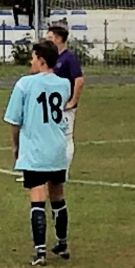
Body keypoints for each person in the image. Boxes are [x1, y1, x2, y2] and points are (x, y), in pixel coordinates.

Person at [3, 40, 72, 266]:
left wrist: (16, 146)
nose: (30, 62)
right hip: (57, 147)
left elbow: (14, 120)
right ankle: (62, 243)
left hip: (35, 149)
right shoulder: (64, 84)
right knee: (58, 195)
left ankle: (40, 251)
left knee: (37, 197)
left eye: (33, 58)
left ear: (41, 60)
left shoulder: (25, 84)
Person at [46, 25, 84, 169]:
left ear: (58, 39)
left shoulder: (69, 58)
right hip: (52, 104)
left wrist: (73, 101)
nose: (47, 40)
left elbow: (79, 80)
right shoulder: (53, 58)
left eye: (50, 37)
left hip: (64, 106)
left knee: (66, 137)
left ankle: (64, 169)